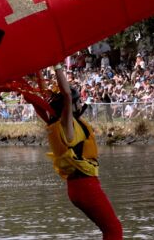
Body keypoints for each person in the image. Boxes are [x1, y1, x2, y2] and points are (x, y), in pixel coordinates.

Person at [44, 63, 123, 239]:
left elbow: (44, 98)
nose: (80, 103)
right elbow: (66, 96)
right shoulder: (67, 125)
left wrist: (39, 74)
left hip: (77, 186)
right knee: (114, 230)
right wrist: (57, 65)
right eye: (77, 100)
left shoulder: (54, 122)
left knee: (109, 229)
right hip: (85, 185)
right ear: (69, 106)